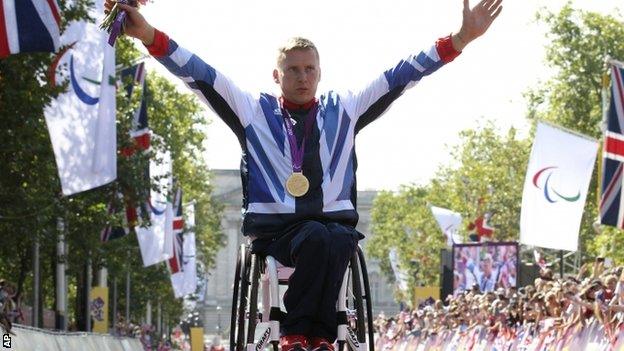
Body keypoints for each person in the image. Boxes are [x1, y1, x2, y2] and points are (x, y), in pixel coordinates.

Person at [104, 0, 502, 349]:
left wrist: (459, 40)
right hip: (278, 233)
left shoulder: (345, 109)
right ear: (277, 76)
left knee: (335, 237)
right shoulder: (251, 111)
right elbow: (199, 74)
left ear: (320, 73)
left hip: (334, 229)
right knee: (318, 236)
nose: (302, 76)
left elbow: (401, 76)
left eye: (309, 68)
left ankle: (316, 334)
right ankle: (303, 333)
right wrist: (148, 35)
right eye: (292, 69)